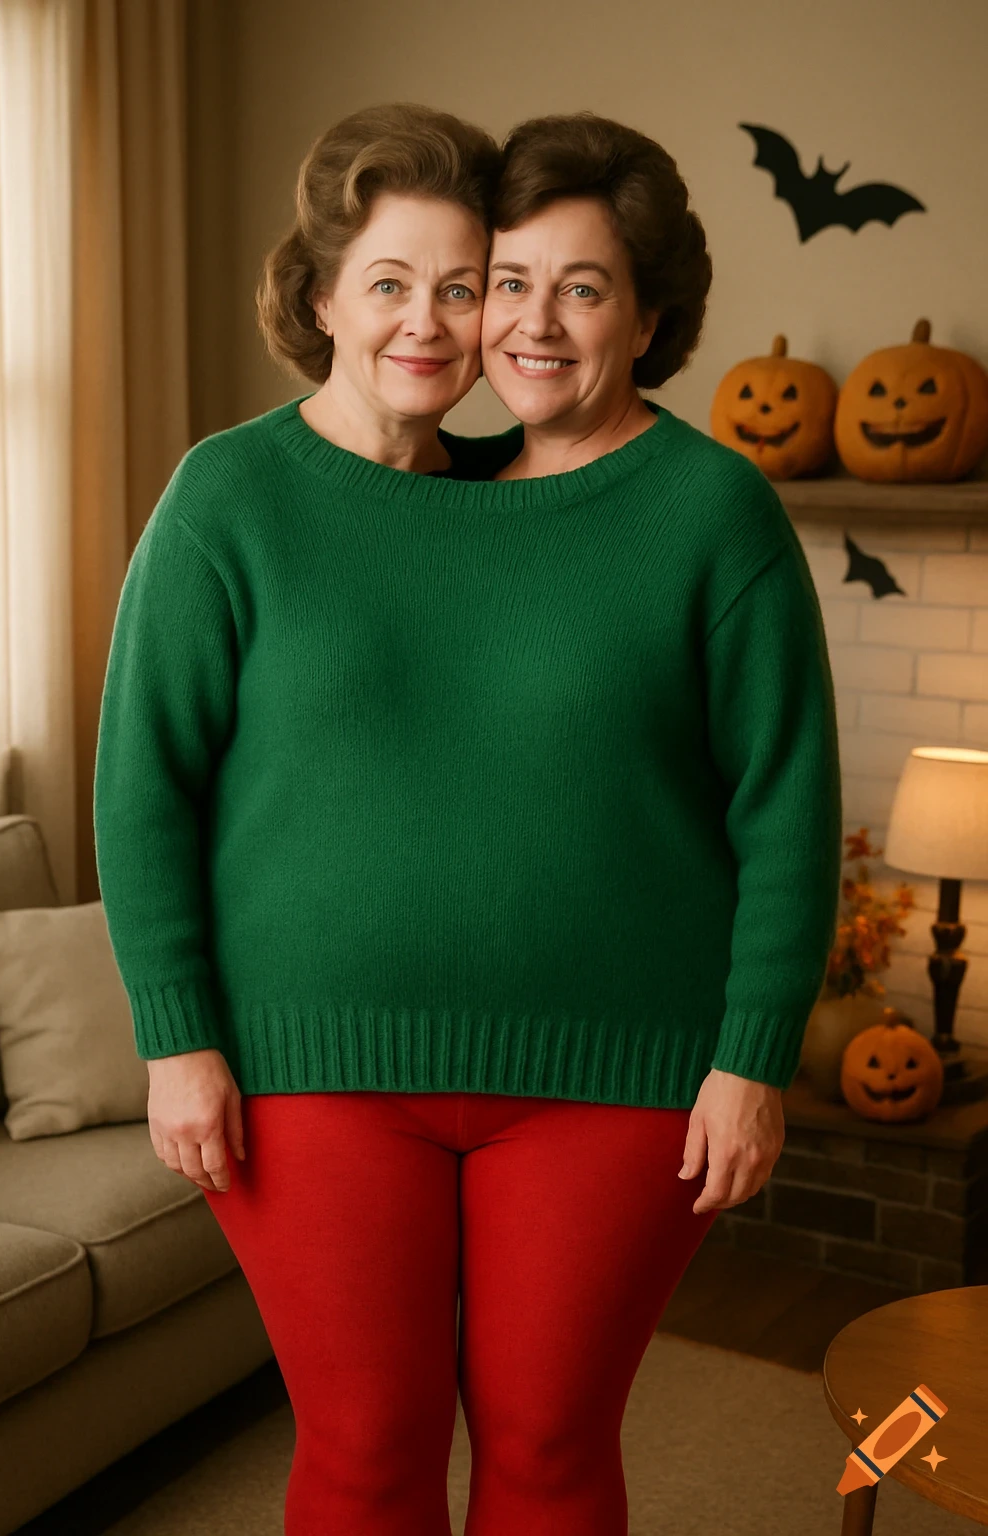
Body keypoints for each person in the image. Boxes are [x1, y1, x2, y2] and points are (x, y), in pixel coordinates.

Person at [93, 104, 842, 1536]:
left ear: (650, 311)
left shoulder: (705, 511)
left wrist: (754, 1058)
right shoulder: (231, 496)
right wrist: (175, 1036)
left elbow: (788, 806)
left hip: (613, 1082)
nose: (495, 320)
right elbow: (143, 785)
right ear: (320, 300)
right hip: (312, 1072)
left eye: (571, 284)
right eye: (490, 282)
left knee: (552, 1450)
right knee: (365, 1450)